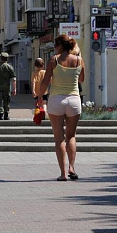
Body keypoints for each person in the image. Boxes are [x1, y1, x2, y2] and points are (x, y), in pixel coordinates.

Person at [35, 34, 85, 181]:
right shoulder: (79, 60)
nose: (55, 49)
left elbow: (45, 82)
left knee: (59, 139)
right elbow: (82, 79)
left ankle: (63, 174)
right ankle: (72, 167)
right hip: (74, 100)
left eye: (56, 46)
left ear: (61, 46)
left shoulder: (53, 60)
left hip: (56, 100)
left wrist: (39, 98)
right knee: (71, 136)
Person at [0, 52, 16, 120]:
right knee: (6, 101)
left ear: (0, 58)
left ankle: (0, 115)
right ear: (7, 58)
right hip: (7, 87)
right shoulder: (9, 67)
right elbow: (13, 79)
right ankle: (6, 115)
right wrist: (14, 89)